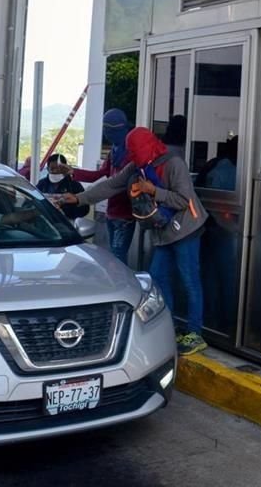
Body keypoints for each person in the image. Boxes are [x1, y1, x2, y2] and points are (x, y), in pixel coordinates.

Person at [62, 127, 208, 356]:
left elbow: (183, 200)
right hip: (164, 232)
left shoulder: (174, 164)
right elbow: (111, 185)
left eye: (136, 150)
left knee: (189, 279)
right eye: (132, 151)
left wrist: (153, 191)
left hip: (186, 229)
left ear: (148, 145)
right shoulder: (138, 165)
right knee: (157, 279)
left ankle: (195, 333)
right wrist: (80, 198)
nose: (134, 155)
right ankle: (168, 327)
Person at [65, 108, 136, 265]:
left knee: (118, 257)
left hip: (125, 214)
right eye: (105, 129)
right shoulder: (114, 151)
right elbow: (100, 174)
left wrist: (80, 198)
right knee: (115, 255)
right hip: (111, 211)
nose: (106, 133)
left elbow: (114, 183)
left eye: (109, 129)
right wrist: (72, 171)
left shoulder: (132, 154)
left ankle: (122, 287)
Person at [37, 154, 89, 220]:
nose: (55, 171)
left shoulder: (74, 185)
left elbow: (85, 209)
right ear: (47, 169)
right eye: (52, 169)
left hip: (66, 222)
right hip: (45, 221)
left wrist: (64, 210)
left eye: (59, 169)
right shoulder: (42, 184)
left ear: (65, 169)